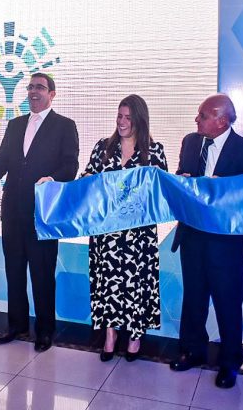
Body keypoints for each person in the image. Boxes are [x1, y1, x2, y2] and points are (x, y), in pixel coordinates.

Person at [0, 72, 79, 352]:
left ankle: (45, 331)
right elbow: (2, 160)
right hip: (12, 211)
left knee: (42, 274)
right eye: (30, 87)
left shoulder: (64, 126)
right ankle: (16, 325)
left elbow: (70, 166)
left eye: (40, 87)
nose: (34, 91)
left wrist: (52, 179)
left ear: (52, 94)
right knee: (14, 270)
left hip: (43, 214)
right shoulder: (15, 124)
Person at [169, 93, 243, 389]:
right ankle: (192, 351)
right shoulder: (190, 142)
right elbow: (180, 177)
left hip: (227, 243)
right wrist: (183, 179)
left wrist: (222, 190)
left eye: (202, 115)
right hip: (192, 236)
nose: (196, 120)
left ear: (222, 120)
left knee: (227, 302)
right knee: (193, 298)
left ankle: (229, 362)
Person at [81, 94, 167, 362]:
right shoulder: (103, 147)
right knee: (106, 284)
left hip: (138, 237)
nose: (122, 121)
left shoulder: (154, 151)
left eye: (128, 117)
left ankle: (135, 335)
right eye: (119, 116)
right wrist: (84, 180)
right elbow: (87, 180)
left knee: (136, 285)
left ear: (140, 119)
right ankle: (110, 335)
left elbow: (159, 191)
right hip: (106, 234)